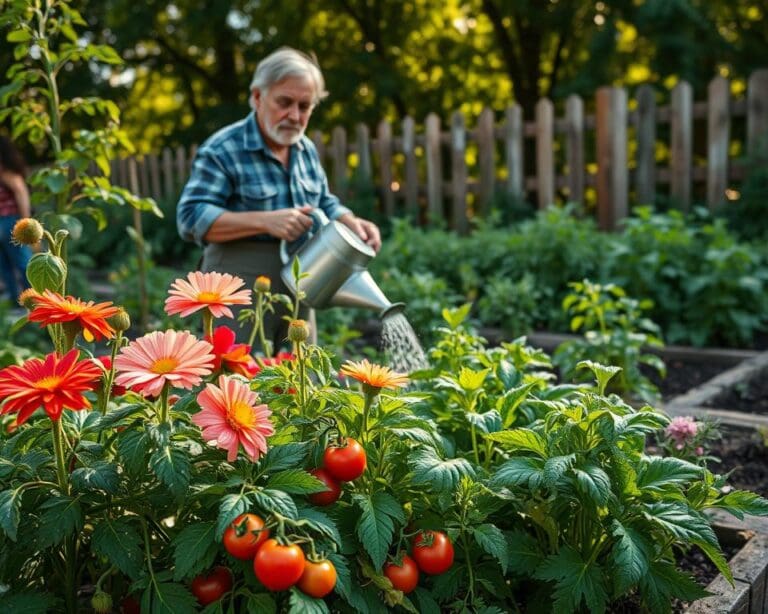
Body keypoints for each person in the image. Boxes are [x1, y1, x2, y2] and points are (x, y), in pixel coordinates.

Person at [177, 47, 381, 351]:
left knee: (302, 381)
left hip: (304, 274)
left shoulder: (305, 150)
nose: (295, 116)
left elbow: (322, 201)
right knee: (236, 381)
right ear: (257, 97)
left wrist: (349, 219)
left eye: (304, 106)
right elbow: (191, 217)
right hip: (236, 280)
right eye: (285, 102)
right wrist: (266, 221)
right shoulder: (223, 148)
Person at [0, 136, 33, 304]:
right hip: (8, 221)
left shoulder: (5, 172)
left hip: (7, 222)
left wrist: (25, 221)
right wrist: (26, 218)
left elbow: (19, 191)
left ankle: (19, 301)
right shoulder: (6, 171)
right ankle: (31, 301)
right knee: (22, 262)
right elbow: (21, 193)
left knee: (7, 265)